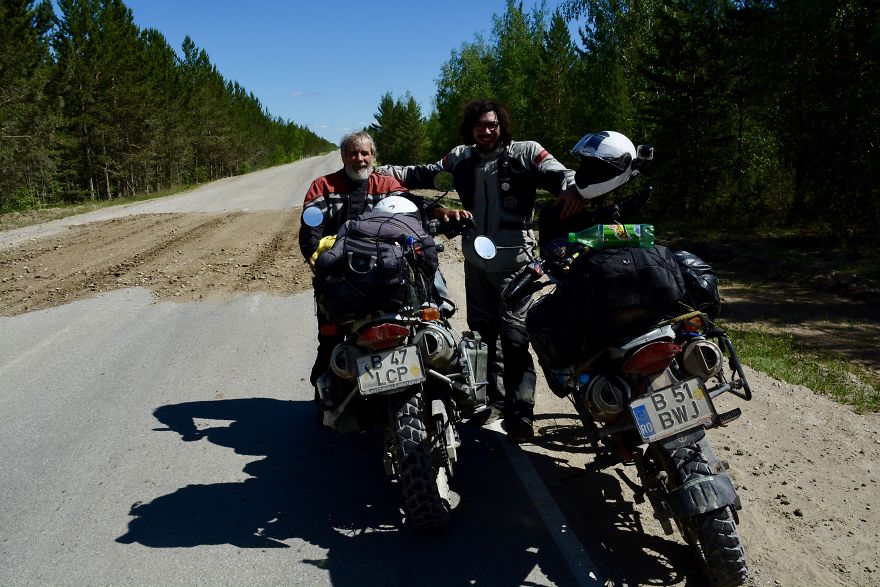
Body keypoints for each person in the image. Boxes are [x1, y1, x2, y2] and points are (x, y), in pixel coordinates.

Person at [376, 98, 582, 442]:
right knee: (482, 335)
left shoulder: (526, 152)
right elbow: (423, 172)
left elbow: (561, 173)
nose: (486, 131)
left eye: (492, 124)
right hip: (475, 263)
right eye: (479, 125)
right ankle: (491, 402)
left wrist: (573, 187)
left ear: (502, 125)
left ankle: (521, 411)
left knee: (515, 339)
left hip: (517, 264)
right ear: (470, 128)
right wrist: (381, 172)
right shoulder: (461, 157)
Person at [299, 131, 449, 388]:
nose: (359, 159)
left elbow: (412, 204)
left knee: (429, 316)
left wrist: (440, 211)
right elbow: (311, 227)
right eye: (353, 153)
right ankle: (328, 386)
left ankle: (441, 379)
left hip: (390, 271)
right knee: (330, 338)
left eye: (365, 153)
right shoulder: (323, 186)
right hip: (342, 275)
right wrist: (315, 254)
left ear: (373, 156)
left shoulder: (387, 184)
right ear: (343, 156)